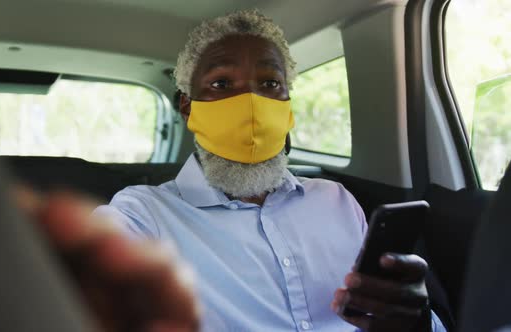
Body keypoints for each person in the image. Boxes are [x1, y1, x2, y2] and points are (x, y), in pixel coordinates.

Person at [91, 9, 447, 332]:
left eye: (270, 84)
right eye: (221, 84)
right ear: (188, 108)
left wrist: (416, 324)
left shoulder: (337, 200)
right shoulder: (145, 213)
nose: (251, 103)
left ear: (287, 103)